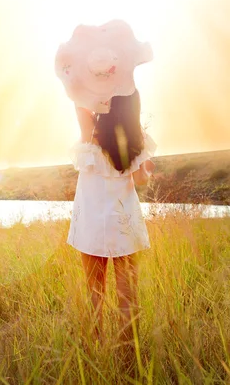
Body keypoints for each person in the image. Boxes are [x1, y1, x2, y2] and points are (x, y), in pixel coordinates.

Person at [66, 88, 157, 358]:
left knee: (94, 292)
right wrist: (146, 170)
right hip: (123, 221)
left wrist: (95, 90)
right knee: (128, 294)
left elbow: (75, 93)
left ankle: (95, 353)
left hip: (92, 223)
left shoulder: (90, 133)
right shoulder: (135, 137)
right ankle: (128, 355)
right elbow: (141, 180)